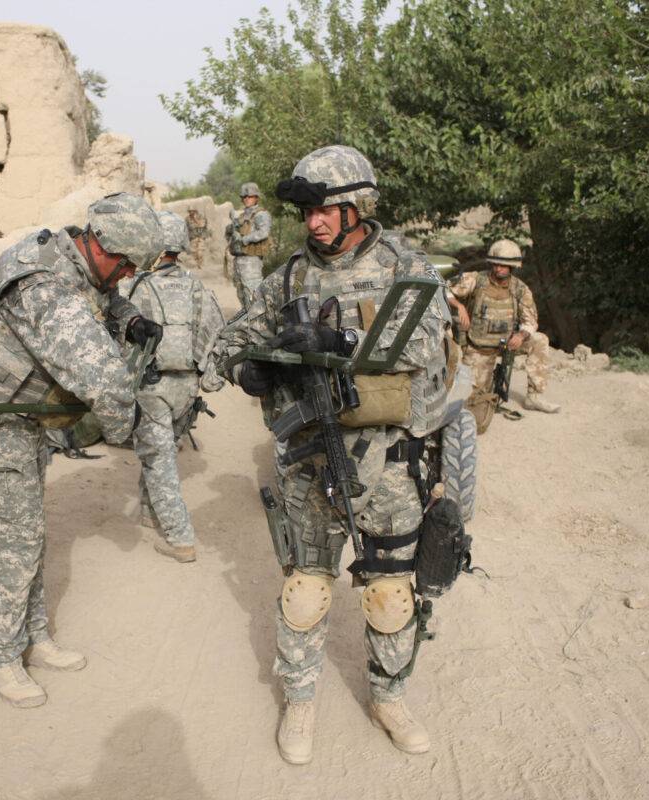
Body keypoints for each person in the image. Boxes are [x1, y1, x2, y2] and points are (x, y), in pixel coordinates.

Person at [215, 146, 455, 765]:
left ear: (357, 207)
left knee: (390, 592)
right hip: (310, 457)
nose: (314, 221)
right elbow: (232, 338)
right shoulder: (291, 274)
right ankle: (300, 700)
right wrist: (253, 366)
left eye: (325, 209)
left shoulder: (405, 264)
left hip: (389, 460)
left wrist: (337, 338)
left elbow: (424, 342)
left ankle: (389, 697)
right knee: (305, 588)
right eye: (306, 211)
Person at [0, 193, 164, 708]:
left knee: (29, 533)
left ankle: (32, 637)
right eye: (125, 264)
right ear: (102, 245)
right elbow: (105, 381)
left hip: (17, 419)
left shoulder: (73, 254)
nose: (126, 275)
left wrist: (129, 319)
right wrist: (122, 430)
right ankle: (0, 658)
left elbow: (101, 297)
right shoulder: (40, 285)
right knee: (7, 544)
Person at [121, 210, 226, 562]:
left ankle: (181, 540)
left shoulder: (138, 287)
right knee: (160, 454)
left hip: (153, 386)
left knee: (159, 460)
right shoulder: (197, 286)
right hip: (188, 388)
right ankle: (151, 513)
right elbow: (215, 331)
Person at [447, 239, 561, 420]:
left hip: (507, 343)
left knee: (539, 340)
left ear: (512, 267)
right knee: (473, 398)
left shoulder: (520, 289)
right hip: (479, 347)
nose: (499, 268)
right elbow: (444, 289)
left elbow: (530, 320)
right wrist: (459, 306)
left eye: (504, 265)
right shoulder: (476, 280)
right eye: (496, 264)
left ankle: (535, 396)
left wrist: (521, 335)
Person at [226, 182, 272, 308]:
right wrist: (231, 231)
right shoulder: (241, 216)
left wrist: (245, 239)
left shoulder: (261, 214)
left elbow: (264, 232)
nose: (246, 199)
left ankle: (257, 324)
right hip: (239, 259)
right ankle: (248, 323)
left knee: (253, 295)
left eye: (250, 196)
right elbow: (231, 236)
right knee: (241, 294)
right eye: (244, 197)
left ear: (256, 197)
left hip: (251, 260)